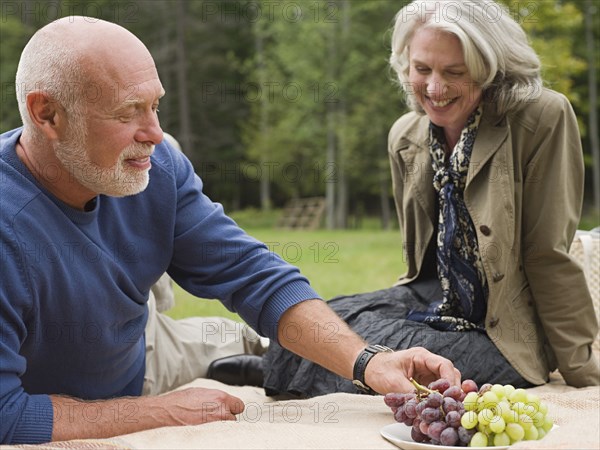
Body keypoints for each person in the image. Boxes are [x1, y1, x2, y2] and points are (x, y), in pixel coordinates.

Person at [0, 16, 460, 445]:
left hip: (142, 348)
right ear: (47, 116)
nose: (156, 134)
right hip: (88, 388)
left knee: (241, 340)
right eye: (128, 113)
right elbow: (6, 412)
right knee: (223, 347)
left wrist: (369, 362)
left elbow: (252, 274)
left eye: (156, 105)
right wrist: (157, 412)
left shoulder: (157, 168)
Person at [263, 0, 599, 398]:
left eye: (455, 73)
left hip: (503, 329)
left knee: (364, 343)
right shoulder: (405, 135)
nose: (435, 88)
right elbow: (421, 267)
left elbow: (546, 252)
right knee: (320, 318)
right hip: (436, 302)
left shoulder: (541, 118)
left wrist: (581, 366)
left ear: (491, 68)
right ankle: (285, 361)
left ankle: (279, 368)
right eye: (422, 69)